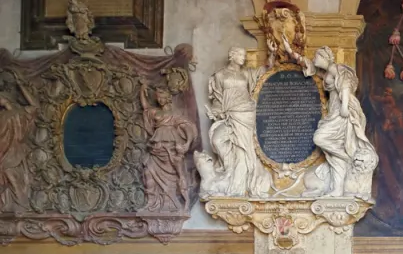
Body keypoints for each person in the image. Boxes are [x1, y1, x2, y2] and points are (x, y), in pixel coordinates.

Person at [284, 39, 377, 198]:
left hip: (342, 112)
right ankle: (337, 189)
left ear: (325, 57)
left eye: (317, 57)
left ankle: (347, 156)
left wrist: (344, 106)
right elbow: (307, 65)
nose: (314, 59)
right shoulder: (326, 73)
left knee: (319, 138)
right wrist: (290, 51)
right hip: (334, 110)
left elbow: (346, 85)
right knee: (333, 157)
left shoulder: (335, 68)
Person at [204, 47, 273, 198]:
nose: (243, 58)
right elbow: (217, 98)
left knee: (242, 151)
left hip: (245, 113)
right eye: (240, 55)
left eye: (244, 55)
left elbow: (266, 68)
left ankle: (237, 186)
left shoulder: (246, 73)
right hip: (228, 113)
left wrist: (272, 53)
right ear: (232, 56)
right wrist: (217, 111)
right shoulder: (220, 75)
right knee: (217, 139)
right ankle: (229, 170)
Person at [140, 83, 197, 211]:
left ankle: (181, 202)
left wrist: (187, 143)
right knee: (148, 170)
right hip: (156, 149)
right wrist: (142, 91)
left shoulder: (175, 113)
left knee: (179, 175)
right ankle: (152, 202)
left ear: (168, 98)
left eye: (162, 97)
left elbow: (186, 127)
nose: (159, 100)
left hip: (171, 149)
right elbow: (145, 108)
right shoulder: (155, 112)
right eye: (158, 97)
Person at [0, 76, 37, 213]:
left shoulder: (18, 113)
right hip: (6, 152)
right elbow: (34, 106)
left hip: (13, 153)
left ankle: (20, 205)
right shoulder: (8, 115)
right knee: (9, 180)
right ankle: (11, 206)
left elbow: (35, 106)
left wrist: (22, 87)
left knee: (14, 180)